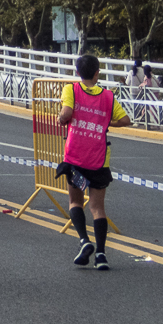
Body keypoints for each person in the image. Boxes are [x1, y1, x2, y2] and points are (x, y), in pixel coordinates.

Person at [55, 53, 131, 271]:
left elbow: (67, 112)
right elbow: (126, 120)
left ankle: (83, 240)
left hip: (76, 159)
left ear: (78, 73)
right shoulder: (108, 96)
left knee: (75, 202)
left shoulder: (72, 89)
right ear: (98, 73)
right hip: (99, 161)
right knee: (98, 208)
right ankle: (101, 255)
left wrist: (61, 118)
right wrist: (104, 123)